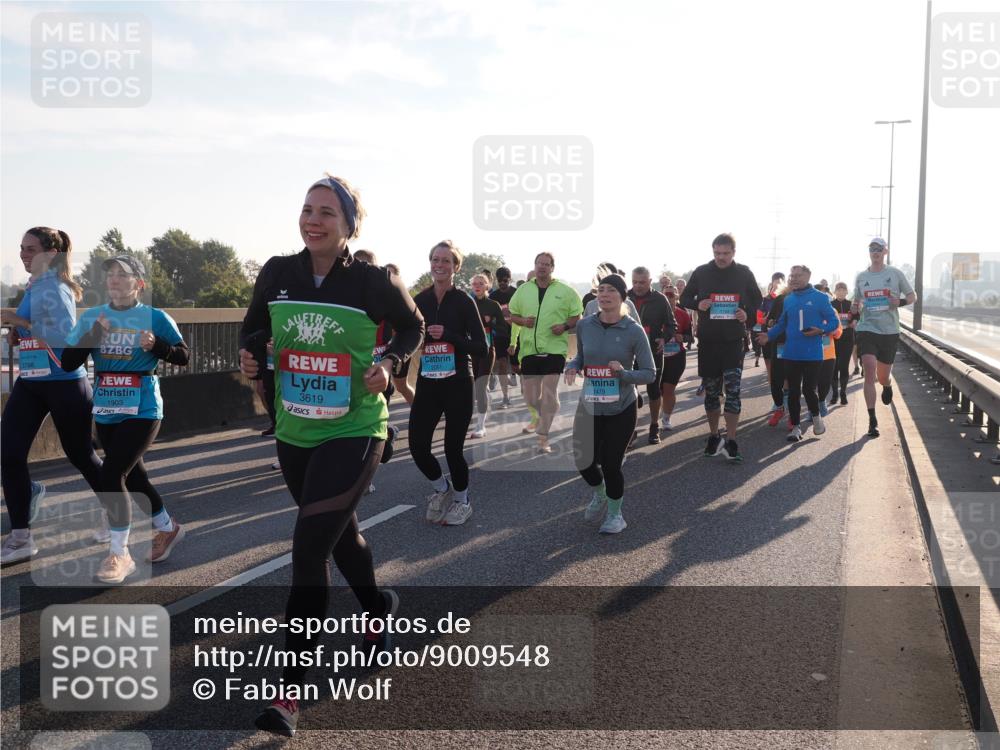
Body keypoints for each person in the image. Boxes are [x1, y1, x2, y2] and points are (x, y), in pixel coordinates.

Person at [239, 174, 424, 736]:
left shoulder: (371, 280)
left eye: (326, 213)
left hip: (356, 428)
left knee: (307, 547)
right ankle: (378, 608)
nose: (313, 220)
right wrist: (252, 359)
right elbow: (252, 332)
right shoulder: (277, 273)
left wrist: (389, 363)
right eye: (307, 210)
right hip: (294, 430)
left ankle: (288, 694)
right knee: (340, 536)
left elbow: (413, 327)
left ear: (348, 226)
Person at [62, 255, 190, 581]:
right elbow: (67, 362)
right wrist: (93, 334)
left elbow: (184, 356)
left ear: (139, 284)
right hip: (107, 407)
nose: (115, 279)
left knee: (111, 473)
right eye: (111, 275)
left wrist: (157, 345)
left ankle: (119, 554)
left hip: (144, 406)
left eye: (123, 274)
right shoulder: (94, 316)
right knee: (134, 478)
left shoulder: (154, 317)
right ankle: (167, 527)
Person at [0, 227, 105, 564]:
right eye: (21, 248)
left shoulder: (55, 288)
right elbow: (36, 330)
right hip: (31, 380)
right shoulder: (34, 286)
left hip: (63, 382)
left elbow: (64, 337)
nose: (23, 254)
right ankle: (21, 538)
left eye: (30, 249)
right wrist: (20, 332)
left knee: (80, 455)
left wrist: (20, 321)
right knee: (9, 452)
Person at [565, 274, 654, 534]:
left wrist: (624, 374)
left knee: (611, 463)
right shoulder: (585, 325)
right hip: (590, 403)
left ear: (622, 297)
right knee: (583, 461)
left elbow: (649, 372)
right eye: (600, 290)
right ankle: (600, 493)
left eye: (611, 290)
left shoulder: (633, 331)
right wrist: (572, 366)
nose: (603, 295)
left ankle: (616, 516)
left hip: (621, 406)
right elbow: (581, 356)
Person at [410, 240, 487, 526]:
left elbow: (481, 346)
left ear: (456, 267)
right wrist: (421, 340)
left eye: (445, 261)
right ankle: (442, 489)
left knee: (453, 448)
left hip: (457, 381)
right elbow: (409, 336)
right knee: (418, 446)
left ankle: (462, 501)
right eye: (435, 260)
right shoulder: (421, 300)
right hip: (428, 381)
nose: (439, 265)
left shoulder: (464, 301)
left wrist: (450, 335)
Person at [679, 233, 762, 462]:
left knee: (734, 392)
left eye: (725, 253)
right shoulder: (702, 272)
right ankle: (714, 435)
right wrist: (698, 304)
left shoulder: (744, 273)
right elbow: (684, 298)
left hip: (734, 341)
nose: (721, 258)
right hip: (708, 342)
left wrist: (748, 313)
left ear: (734, 252)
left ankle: (732, 440)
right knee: (712, 394)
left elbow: (758, 300)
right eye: (717, 253)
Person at [508, 252, 583, 454]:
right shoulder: (523, 290)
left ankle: (543, 439)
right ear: (535, 265)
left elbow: (578, 314)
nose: (542, 267)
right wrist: (523, 322)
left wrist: (565, 326)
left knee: (549, 392)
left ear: (552, 268)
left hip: (555, 349)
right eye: (539, 263)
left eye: (546, 264)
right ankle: (548, 412)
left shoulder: (566, 291)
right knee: (532, 398)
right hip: (529, 350)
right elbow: (512, 314)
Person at [756, 265, 839, 442]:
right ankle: (795, 428)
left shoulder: (821, 298)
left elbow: (834, 322)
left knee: (809, 389)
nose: (793, 278)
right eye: (791, 275)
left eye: (798, 275)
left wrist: (821, 330)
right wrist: (768, 335)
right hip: (791, 352)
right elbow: (782, 324)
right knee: (793, 391)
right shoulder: (788, 299)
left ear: (808, 276)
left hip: (813, 353)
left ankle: (816, 417)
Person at [851, 237, 916, 437]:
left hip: (889, 331)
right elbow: (857, 300)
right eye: (872, 249)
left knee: (882, 376)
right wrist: (855, 307)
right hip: (867, 328)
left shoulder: (895, 274)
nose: (875, 252)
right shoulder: (861, 276)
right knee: (869, 370)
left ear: (885, 252)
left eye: (879, 249)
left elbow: (913, 296)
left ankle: (887, 386)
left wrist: (901, 301)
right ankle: (872, 420)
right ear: (869, 252)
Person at [627, 266, 675, 444]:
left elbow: (671, 325)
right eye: (634, 282)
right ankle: (630, 431)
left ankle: (654, 426)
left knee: (654, 390)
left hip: (652, 351)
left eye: (642, 282)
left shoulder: (660, 299)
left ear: (650, 281)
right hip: (628, 352)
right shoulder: (624, 297)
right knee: (629, 392)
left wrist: (664, 338)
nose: (638, 286)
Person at [469, 273, 504, 438]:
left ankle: (480, 426)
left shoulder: (493, 305)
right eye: (474, 283)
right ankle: (483, 403)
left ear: (487, 286)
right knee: (473, 386)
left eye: (481, 283)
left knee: (480, 385)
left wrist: (491, 322)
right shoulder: (467, 303)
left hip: (487, 350)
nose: (477, 286)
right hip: (469, 350)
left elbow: (503, 327)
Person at [660, 282, 690, 431]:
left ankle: (666, 418)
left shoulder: (683, 315)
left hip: (676, 356)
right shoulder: (654, 313)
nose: (668, 297)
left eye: (671, 294)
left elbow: (690, 336)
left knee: (668, 389)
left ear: (677, 297)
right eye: (666, 294)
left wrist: (682, 337)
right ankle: (661, 410)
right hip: (658, 356)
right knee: (658, 390)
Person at [489, 266, 517, 403]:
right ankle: (505, 397)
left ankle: (525, 387)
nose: (502, 283)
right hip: (499, 334)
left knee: (517, 366)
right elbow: (489, 317)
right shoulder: (493, 297)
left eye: (505, 280)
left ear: (509, 280)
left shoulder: (516, 293)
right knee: (502, 364)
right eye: (500, 280)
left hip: (516, 334)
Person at [829, 282, 856, 405]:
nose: (840, 292)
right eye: (838, 289)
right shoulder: (830, 305)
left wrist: (854, 321)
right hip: (833, 340)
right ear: (835, 292)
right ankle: (834, 394)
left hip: (847, 339)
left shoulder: (851, 305)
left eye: (843, 289)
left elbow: (858, 316)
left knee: (844, 367)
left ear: (847, 292)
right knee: (834, 368)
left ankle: (843, 393)